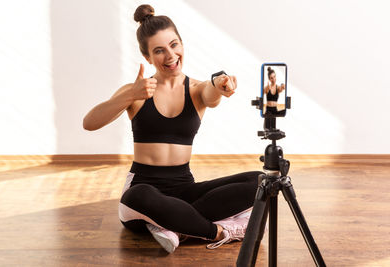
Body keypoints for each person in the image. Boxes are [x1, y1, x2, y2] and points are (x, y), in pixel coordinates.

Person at [83, 4, 263, 253]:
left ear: (182, 44)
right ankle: (219, 231)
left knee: (260, 181)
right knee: (138, 197)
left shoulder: (197, 89)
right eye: (159, 50)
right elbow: (89, 123)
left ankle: (171, 224)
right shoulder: (136, 91)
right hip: (143, 193)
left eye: (174, 45)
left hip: (184, 189)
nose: (170, 55)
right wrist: (129, 96)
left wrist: (220, 84)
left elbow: (211, 95)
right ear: (147, 58)